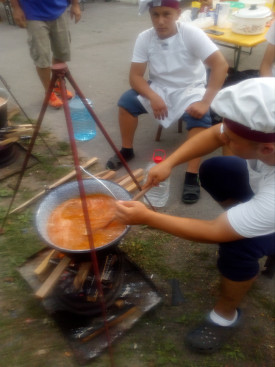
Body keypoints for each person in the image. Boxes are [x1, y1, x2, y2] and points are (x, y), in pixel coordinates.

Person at [114, 77, 275, 353]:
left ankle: (225, 317)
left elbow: (215, 232)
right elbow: (215, 134)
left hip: (270, 205)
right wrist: (169, 162)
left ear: (266, 149)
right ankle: (248, 224)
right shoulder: (262, 128)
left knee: (238, 244)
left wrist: (148, 218)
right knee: (217, 169)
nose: (224, 137)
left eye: (231, 140)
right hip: (265, 198)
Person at [106, 0, 228, 204]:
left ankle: (192, 174)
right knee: (126, 102)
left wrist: (206, 102)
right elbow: (135, 76)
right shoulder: (145, 38)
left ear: (177, 13)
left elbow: (221, 65)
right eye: (155, 15)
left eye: (166, 14)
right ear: (150, 15)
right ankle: (126, 149)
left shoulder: (191, 33)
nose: (160, 21)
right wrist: (153, 96)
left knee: (201, 117)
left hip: (190, 88)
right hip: (159, 86)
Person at [10, 0, 81, 108]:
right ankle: (49, 92)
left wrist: (75, 4)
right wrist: (16, 8)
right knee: (41, 55)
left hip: (59, 10)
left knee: (62, 52)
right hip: (33, 14)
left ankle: (57, 85)